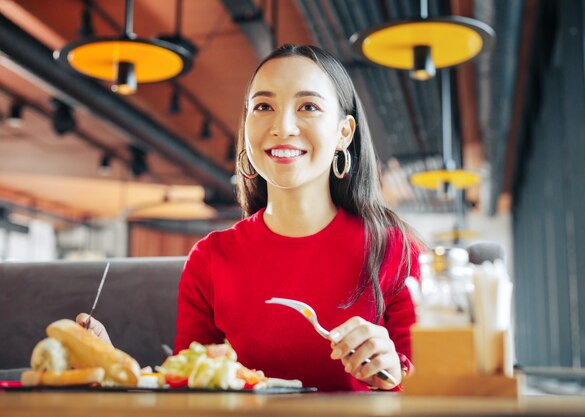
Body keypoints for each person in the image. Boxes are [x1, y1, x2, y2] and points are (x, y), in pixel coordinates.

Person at [77, 44, 422, 392]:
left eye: (308, 106)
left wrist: (391, 370)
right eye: (263, 107)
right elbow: (191, 387)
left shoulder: (394, 250)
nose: (283, 126)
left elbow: (438, 385)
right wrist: (114, 371)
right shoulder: (211, 258)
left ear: (343, 133)